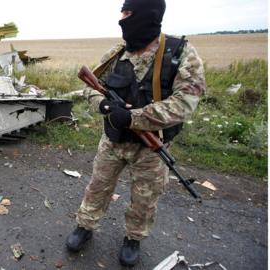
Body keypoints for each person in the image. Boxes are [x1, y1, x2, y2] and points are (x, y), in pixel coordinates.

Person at [66, 0, 206, 267]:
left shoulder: (181, 53)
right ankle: (85, 226)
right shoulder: (117, 53)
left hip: (151, 146)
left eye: (128, 13)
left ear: (149, 15)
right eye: (122, 12)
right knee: (97, 187)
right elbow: (91, 87)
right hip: (113, 140)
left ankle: (133, 238)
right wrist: (104, 105)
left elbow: (185, 103)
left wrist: (134, 117)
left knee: (145, 198)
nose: (122, 19)